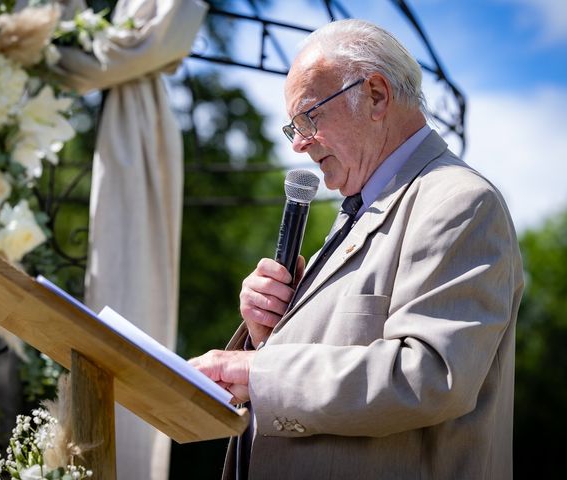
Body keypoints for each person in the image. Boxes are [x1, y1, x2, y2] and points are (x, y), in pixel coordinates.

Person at [190, 18, 523, 480]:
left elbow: (428, 375)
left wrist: (256, 372)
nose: (300, 144)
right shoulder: (361, 208)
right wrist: (266, 332)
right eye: (294, 128)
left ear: (376, 96)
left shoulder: (459, 202)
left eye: (309, 117)